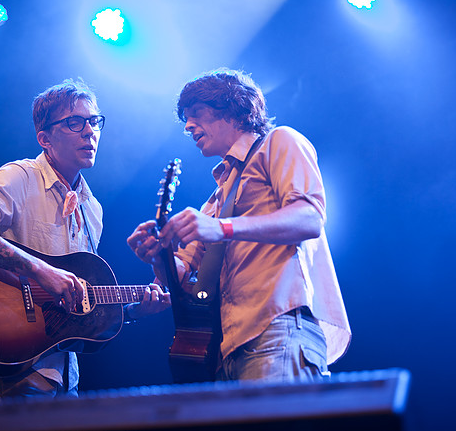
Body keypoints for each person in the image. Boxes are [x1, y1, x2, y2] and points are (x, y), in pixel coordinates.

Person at [0, 78, 170, 400]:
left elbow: (82, 302)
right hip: (16, 368)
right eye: (75, 123)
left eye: (94, 122)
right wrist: (40, 271)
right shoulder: (20, 177)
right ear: (44, 138)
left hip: (65, 376)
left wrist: (134, 310)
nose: (90, 132)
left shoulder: (92, 209)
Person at [127, 68, 350, 382]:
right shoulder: (216, 199)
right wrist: (156, 255)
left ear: (231, 109)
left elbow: (310, 217)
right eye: (185, 118)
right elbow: (178, 278)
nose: (189, 125)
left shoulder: (279, 141)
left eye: (197, 113)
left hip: (277, 328)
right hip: (225, 350)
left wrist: (222, 228)